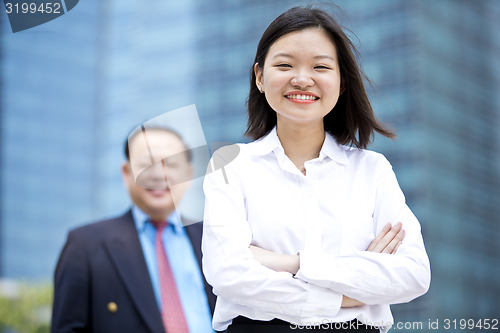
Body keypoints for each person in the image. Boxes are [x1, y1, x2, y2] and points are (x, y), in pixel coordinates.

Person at [202, 6, 430, 333]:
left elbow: (414, 274)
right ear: (260, 77)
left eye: (320, 66)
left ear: (342, 83)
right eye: (285, 65)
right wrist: (347, 293)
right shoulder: (230, 165)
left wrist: (292, 264)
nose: (302, 79)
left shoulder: (372, 170)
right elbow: (228, 274)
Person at [51, 126, 216, 333]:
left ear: (188, 173)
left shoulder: (213, 238)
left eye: (171, 164)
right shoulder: (85, 246)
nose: (159, 174)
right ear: (126, 172)